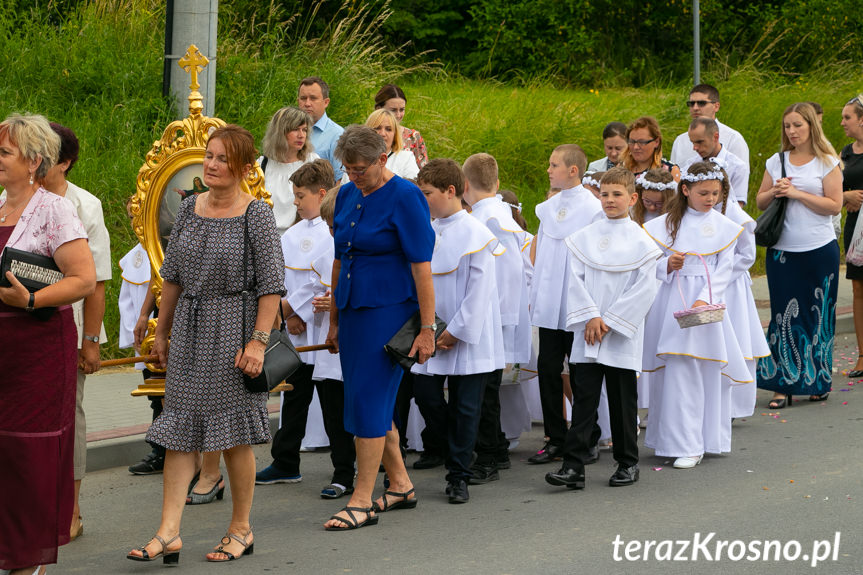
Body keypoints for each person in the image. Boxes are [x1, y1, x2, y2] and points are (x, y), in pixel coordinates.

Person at [126, 124, 285, 563]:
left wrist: (257, 342)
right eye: (209, 157)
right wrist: (162, 330)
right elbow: (172, 274)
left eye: (221, 159)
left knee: (233, 435)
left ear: (243, 167)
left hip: (235, 329)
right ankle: (168, 531)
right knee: (179, 431)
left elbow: (272, 285)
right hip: (192, 331)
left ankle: (240, 528)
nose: (211, 165)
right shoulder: (191, 208)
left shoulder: (257, 214)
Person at [322, 125, 435, 530]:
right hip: (354, 311)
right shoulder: (349, 193)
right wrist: (334, 319)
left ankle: (362, 499)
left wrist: (427, 329)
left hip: (388, 312)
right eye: (348, 168)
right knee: (364, 401)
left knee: (369, 403)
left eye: (361, 168)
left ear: (383, 159)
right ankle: (401, 485)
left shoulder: (405, 196)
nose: (354, 175)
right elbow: (339, 259)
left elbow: (422, 266)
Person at [0, 113, 96, 575]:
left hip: (37, 350)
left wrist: (32, 297)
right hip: (2, 349)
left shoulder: (55, 210)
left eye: (4, 153)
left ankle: (28, 559)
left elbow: (84, 279)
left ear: (34, 161)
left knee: (26, 453)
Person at [545, 167, 660, 490]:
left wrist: (610, 321)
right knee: (584, 399)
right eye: (605, 194)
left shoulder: (641, 240)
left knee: (623, 400)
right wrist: (591, 317)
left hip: (620, 332)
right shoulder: (584, 238)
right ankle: (574, 466)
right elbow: (576, 280)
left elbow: (644, 288)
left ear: (632, 198)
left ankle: (627, 462)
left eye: (617, 194)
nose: (610, 200)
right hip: (589, 331)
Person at [255, 159, 356, 498]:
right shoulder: (292, 235)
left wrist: (287, 308)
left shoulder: (334, 233)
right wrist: (287, 317)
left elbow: (319, 282)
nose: (295, 203)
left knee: (332, 404)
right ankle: (285, 462)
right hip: (297, 332)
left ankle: (344, 472)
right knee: (292, 401)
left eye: (300, 196)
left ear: (322, 194)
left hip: (326, 332)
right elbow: (279, 280)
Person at [642, 161, 748, 469]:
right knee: (676, 368)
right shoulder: (666, 224)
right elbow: (650, 262)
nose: (711, 199)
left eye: (716, 193)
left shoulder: (724, 228)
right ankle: (673, 440)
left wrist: (704, 299)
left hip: (704, 305)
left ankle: (697, 442)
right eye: (703, 193)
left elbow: (724, 268)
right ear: (685, 190)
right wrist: (666, 265)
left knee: (699, 369)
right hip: (672, 297)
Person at [412, 158, 504, 503]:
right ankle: (455, 450)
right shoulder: (425, 229)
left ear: (451, 191)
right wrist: (428, 327)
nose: (424, 201)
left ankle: (459, 476)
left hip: (466, 335)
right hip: (428, 330)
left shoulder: (477, 234)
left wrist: (455, 331)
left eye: (428, 194)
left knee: (467, 408)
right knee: (427, 396)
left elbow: (479, 292)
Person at [41, 122, 112, 543]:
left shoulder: (86, 206)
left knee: (71, 416)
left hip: (71, 328)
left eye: (45, 154)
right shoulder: (9, 200)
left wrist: (90, 342)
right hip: (23, 328)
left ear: (65, 162)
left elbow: (97, 282)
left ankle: (72, 508)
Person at [756, 103, 842, 409]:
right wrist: (777, 191)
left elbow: (834, 205)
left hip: (819, 250)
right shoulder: (776, 161)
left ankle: (817, 381)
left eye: (797, 126)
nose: (791, 132)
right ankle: (781, 385)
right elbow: (760, 202)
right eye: (787, 126)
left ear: (811, 127)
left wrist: (798, 194)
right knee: (782, 317)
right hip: (782, 251)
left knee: (819, 315)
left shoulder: (826, 162)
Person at [529, 144, 603, 465]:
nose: (548, 170)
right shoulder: (548, 208)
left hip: (577, 303)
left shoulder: (593, 208)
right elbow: (542, 253)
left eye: (554, 165)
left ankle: (587, 437)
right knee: (547, 368)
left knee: (580, 372)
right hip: (549, 301)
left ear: (573, 170)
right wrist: (537, 297)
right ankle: (555, 437)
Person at [461, 153, 532, 483]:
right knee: (485, 389)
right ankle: (495, 446)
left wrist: (498, 318)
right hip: (493, 315)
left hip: (492, 317)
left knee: (485, 390)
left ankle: (489, 454)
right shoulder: (497, 213)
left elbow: (507, 274)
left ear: (463, 186)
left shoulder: (488, 220)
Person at [712, 166, 770, 419]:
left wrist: (719, 275)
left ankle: (737, 403)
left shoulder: (737, 217)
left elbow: (746, 256)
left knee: (736, 337)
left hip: (731, 285)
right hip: (705, 282)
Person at [259, 106, 320, 235]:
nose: (301, 135)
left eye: (304, 130)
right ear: (280, 132)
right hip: (268, 239)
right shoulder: (261, 165)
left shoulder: (312, 163)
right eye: (295, 129)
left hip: (301, 237)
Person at [670, 84, 749, 167]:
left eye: (701, 103)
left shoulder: (733, 139)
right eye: (692, 103)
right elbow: (673, 177)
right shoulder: (680, 141)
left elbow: (741, 174)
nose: (695, 108)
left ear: (716, 106)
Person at [679, 118, 750, 206]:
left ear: (715, 137)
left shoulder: (737, 167)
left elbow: (737, 206)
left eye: (700, 142)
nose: (695, 148)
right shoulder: (690, 165)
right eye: (693, 143)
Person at [842, 95, 863, 377]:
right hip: (855, 226)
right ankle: (862, 355)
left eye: (848, 117)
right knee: (858, 289)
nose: (843, 122)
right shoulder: (846, 152)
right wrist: (845, 195)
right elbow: (831, 188)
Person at [298, 76, 345, 181]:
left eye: (313, 98)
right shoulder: (288, 131)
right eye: (303, 98)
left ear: (326, 102)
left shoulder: (337, 135)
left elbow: (341, 180)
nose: (307, 104)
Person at [374, 83, 429, 169]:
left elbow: (424, 173)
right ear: (378, 109)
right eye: (393, 110)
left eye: (402, 109)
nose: (398, 115)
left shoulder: (413, 137)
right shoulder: (366, 135)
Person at [364, 109, 420, 180]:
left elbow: (413, 188)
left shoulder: (406, 158)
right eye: (377, 128)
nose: (382, 134)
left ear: (395, 134)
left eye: (388, 129)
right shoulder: (357, 157)